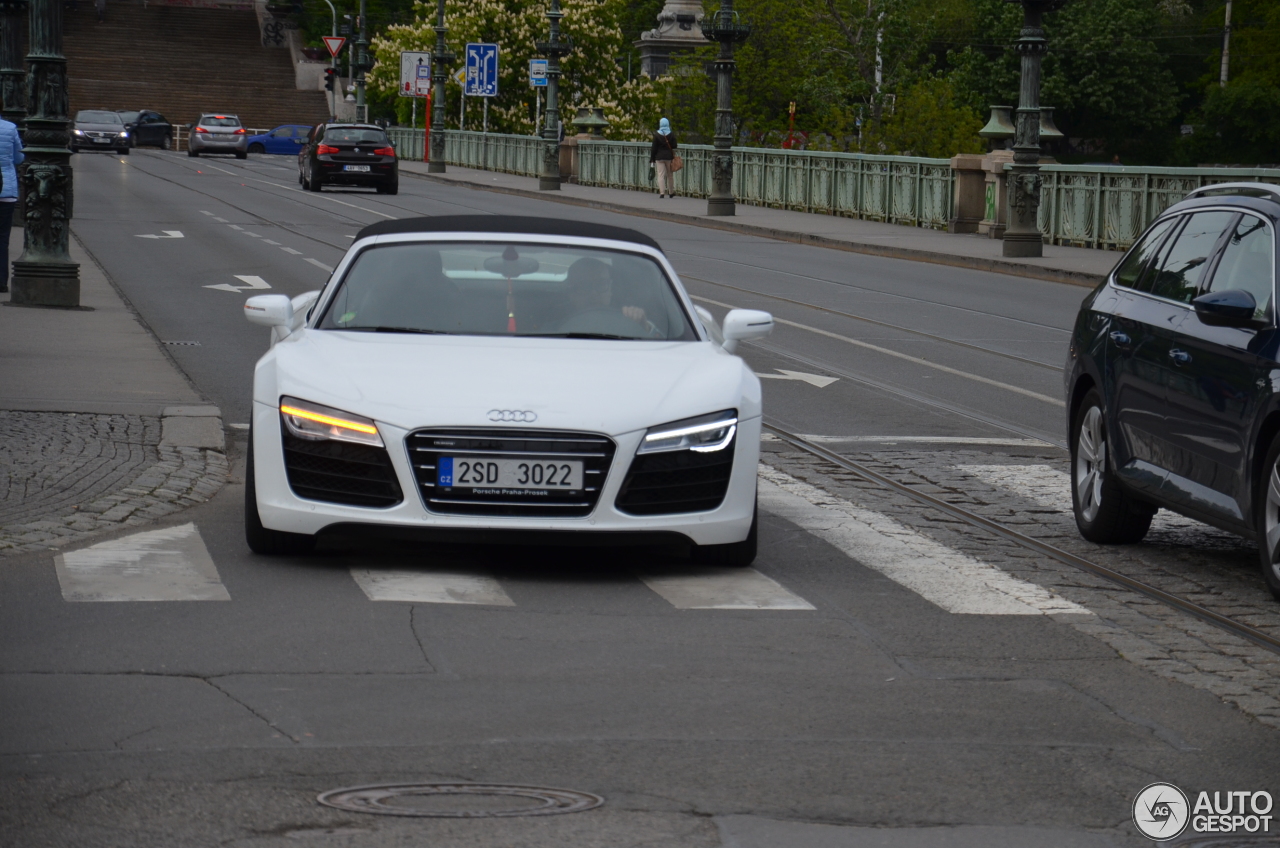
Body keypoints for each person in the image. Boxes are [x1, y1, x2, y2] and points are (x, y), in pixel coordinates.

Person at [0, 114, 23, 294]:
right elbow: (18, 158)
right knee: (2, 238)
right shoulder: (10, 128)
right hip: (5, 191)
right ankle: (1, 281)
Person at [649, 117, 677, 199]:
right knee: (670, 175)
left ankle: (662, 193)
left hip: (659, 157)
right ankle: (671, 192)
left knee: (660, 175)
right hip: (669, 157)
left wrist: (652, 158)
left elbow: (654, 148)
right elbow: (675, 145)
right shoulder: (671, 134)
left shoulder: (657, 135)